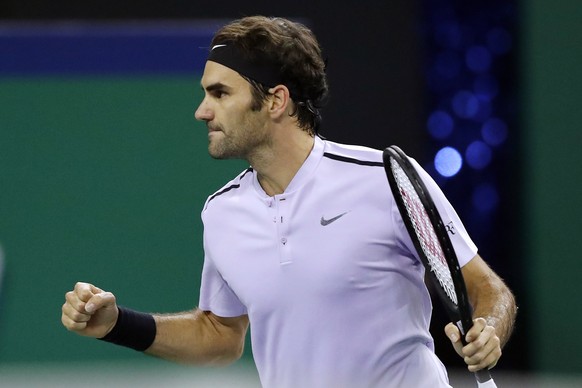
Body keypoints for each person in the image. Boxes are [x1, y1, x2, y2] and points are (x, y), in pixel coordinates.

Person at [61, 15, 517, 388]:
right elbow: (220, 335)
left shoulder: (385, 179)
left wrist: (490, 329)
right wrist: (117, 324)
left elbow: (487, 289)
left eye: (219, 93)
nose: (202, 110)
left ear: (276, 101)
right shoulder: (221, 212)